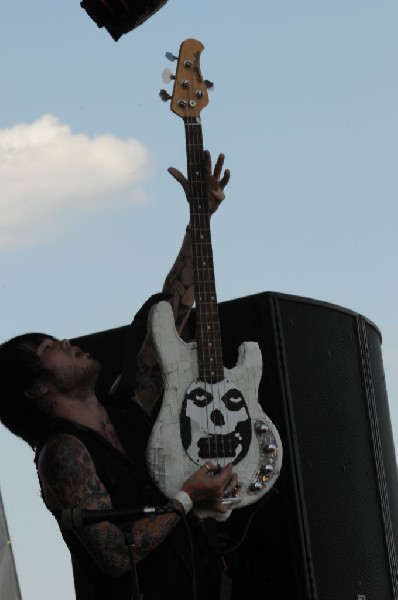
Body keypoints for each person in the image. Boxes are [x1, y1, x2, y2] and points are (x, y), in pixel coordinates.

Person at [0, 151, 235, 600]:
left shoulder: (130, 409)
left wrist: (198, 217)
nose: (67, 344)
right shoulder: (64, 452)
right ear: (36, 387)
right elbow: (113, 553)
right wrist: (187, 498)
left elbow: (172, 313)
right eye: (51, 349)